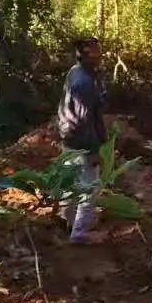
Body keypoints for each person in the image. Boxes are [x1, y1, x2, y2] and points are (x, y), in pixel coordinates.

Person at [56, 37, 108, 242]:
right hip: (81, 142)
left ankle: (67, 221)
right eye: (96, 54)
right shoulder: (84, 83)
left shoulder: (76, 71)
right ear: (86, 57)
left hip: (68, 137)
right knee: (90, 188)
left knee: (70, 182)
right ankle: (79, 233)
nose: (100, 57)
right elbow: (84, 121)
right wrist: (94, 150)